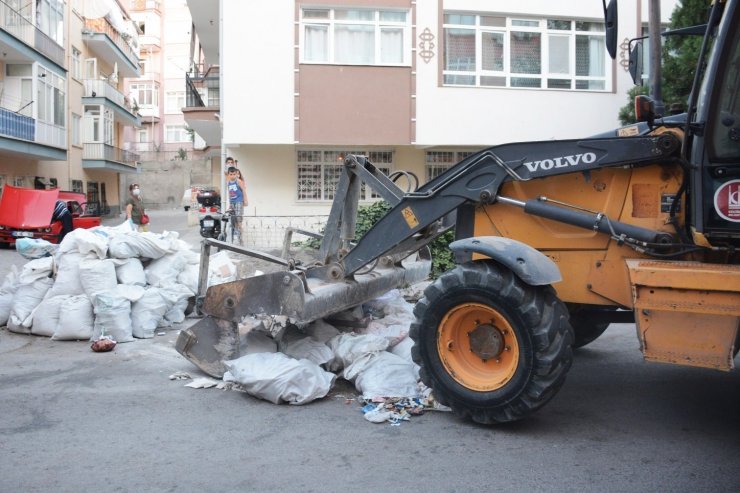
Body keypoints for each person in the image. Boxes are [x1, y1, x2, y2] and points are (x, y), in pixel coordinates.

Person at [226, 166, 248, 244]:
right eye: (231, 174)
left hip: (239, 201)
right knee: (234, 220)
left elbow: (243, 190)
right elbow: (229, 193)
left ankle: (241, 238)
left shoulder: (238, 181)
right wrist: (229, 204)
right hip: (232, 202)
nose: (232, 176)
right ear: (228, 174)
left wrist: (245, 201)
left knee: (239, 220)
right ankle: (236, 238)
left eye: (234, 174)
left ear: (236, 174)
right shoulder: (228, 183)